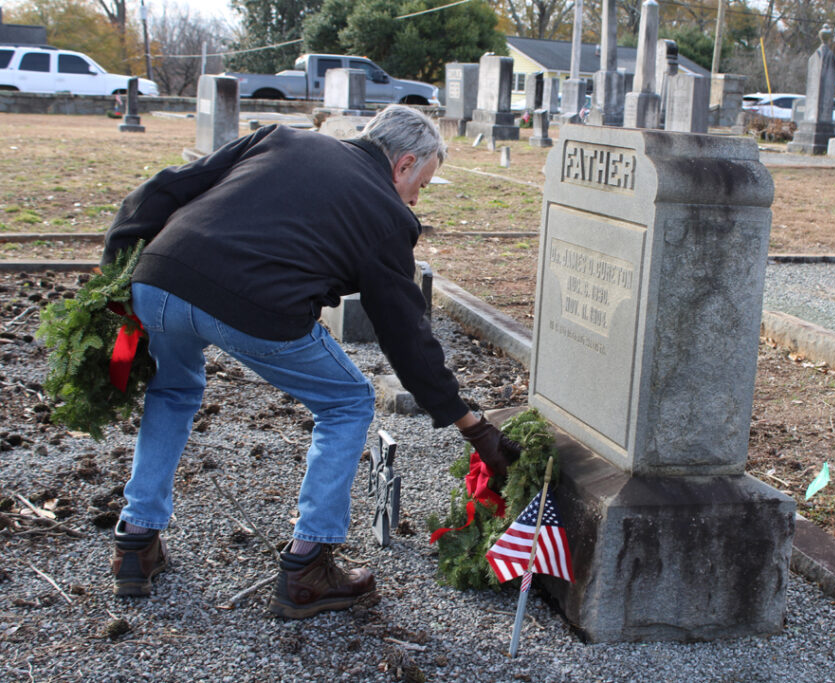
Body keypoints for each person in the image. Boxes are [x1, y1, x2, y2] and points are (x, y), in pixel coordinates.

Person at [101, 105, 521, 618]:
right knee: (347, 400)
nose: (416, 198)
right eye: (422, 184)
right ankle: (307, 568)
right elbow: (407, 338)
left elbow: (165, 187)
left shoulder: (283, 138)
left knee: (173, 390)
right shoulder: (388, 216)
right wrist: (473, 427)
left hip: (158, 281)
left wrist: (118, 267)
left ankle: (135, 542)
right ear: (404, 163)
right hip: (255, 307)